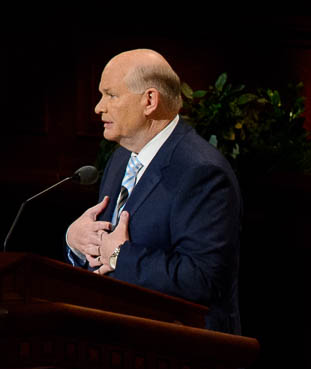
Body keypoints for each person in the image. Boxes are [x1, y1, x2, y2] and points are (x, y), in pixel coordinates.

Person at [65, 49, 242, 338]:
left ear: (149, 101)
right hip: (115, 349)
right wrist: (76, 242)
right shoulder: (120, 159)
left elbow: (203, 278)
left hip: (182, 359)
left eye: (110, 95)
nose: (98, 107)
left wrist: (121, 256)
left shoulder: (201, 171)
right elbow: (103, 254)